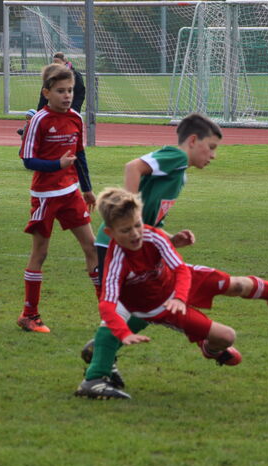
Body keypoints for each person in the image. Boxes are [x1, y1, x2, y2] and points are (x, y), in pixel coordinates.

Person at [74, 188, 268, 400]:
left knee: (236, 285)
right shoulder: (116, 262)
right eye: (126, 230)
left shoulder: (152, 235)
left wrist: (180, 295)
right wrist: (123, 332)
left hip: (178, 284)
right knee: (226, 337)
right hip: (160, 305)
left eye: (138, 225)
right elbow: (108, 303)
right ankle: (209, 348)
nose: (136, 234)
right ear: (111, 233)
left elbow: (180, 269)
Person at [79, 113, 223, 391]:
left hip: (132, 246)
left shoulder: (179, 176)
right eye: (211, 147)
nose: (213, 155)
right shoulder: (176, 157)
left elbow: (152, 223)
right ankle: (96, 374)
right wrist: (127, 211)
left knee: (143, 305)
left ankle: (103, 356)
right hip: (117, 245)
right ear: (193, 140)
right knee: (134, 306)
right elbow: (133, 167)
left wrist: (171, 239)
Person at [17, 63, 99, 333]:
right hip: (45, 196)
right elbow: (27, 159)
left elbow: (79, 154)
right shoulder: (39, 120)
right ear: (47, 93)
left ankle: (108, 315)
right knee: (40, 253)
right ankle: (29, 315)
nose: (67, 96)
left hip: (71, 193)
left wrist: (87, 189)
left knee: (92, 248)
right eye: (61, 91)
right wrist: (57, 165)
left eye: (70, 90)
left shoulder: (75, 118)